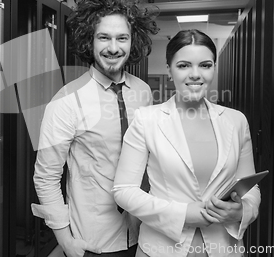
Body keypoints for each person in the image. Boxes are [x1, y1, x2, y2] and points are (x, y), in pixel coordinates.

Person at [31, 0, 159, 257]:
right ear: (89, 40)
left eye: (122, 38)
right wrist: (66, 242)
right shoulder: (65, 101)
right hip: (92, 242)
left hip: (143, 234)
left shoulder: (143, 92)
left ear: (132, 41)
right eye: (104, 38)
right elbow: (45, 177)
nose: (113, 48)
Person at [112, 29, 261, 257]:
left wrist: (242, 211)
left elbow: (250, 188)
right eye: (183, 66)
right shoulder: (147, 119)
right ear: (169, 71)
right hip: (160, 250)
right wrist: (182, 214)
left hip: (225, 250)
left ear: (213, 68)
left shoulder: (236, 120)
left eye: (205, 65)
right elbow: (124, 191)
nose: (195, 74)